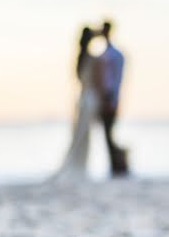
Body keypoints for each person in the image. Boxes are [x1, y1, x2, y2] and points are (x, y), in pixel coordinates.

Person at [55, 27, 101, 178]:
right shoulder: (92, 59)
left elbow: (78, 79)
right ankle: (81, 166)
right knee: (84, 135)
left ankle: (80, 164)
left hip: (82, 97)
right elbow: (97, 81)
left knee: (79, 134)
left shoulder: (80, 58)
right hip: (89, 98)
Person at [97, 21, 129, 175]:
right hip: (109, 97)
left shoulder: (113, 55)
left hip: (109, 98)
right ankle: (117, 163)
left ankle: (119, 163)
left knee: (109, 133)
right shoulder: (113, 54)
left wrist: (109, 99)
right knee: (108, 133)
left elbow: (113, 80)